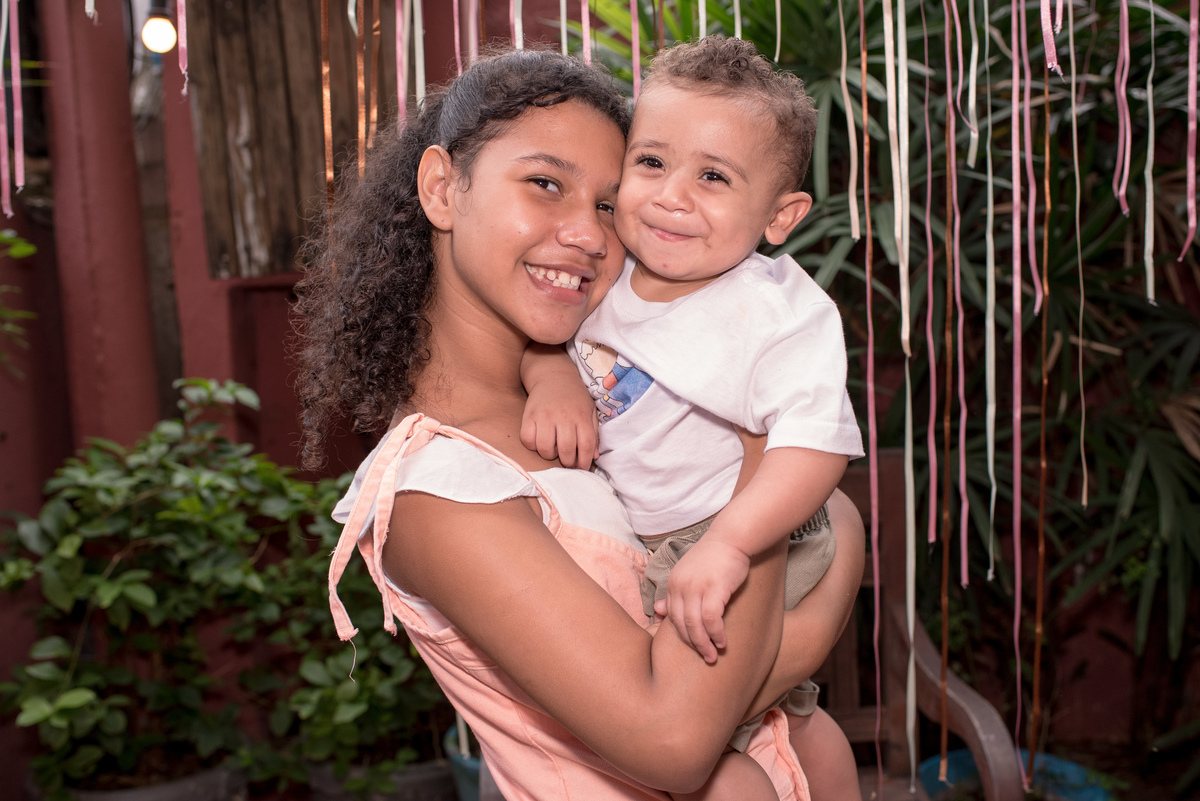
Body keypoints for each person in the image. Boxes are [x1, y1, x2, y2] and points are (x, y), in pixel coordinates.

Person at [295, 48, 864, 801]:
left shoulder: (611, 367)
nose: (591, 236)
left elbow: (836, 512)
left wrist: (550, 365)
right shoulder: (438, 488)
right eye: (543, 184)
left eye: (605, 201)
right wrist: (765, 475)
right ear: (441, 187)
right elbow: (675, 739)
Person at [520, 37, 865, 801]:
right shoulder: (603, 266)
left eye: (713, 176)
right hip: (649, 541)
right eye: (651, 163)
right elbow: (539, 334)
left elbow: (816, 449)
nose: (672, 195)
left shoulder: (777, 308)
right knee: (771, 715)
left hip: (744, 527)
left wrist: (733, 542)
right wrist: (549, 377)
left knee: (719, 728)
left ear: (780, 215)